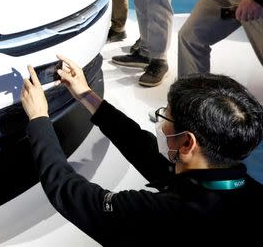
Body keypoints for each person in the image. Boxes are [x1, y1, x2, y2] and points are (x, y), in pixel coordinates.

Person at [21, 55, 263, 244]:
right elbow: (145, 152)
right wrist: (87, 96)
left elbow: (70, 193)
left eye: (165, 116)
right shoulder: (233, 185)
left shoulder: (158, 214)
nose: (161, 125)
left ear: (188, 143)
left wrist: (39, 118)